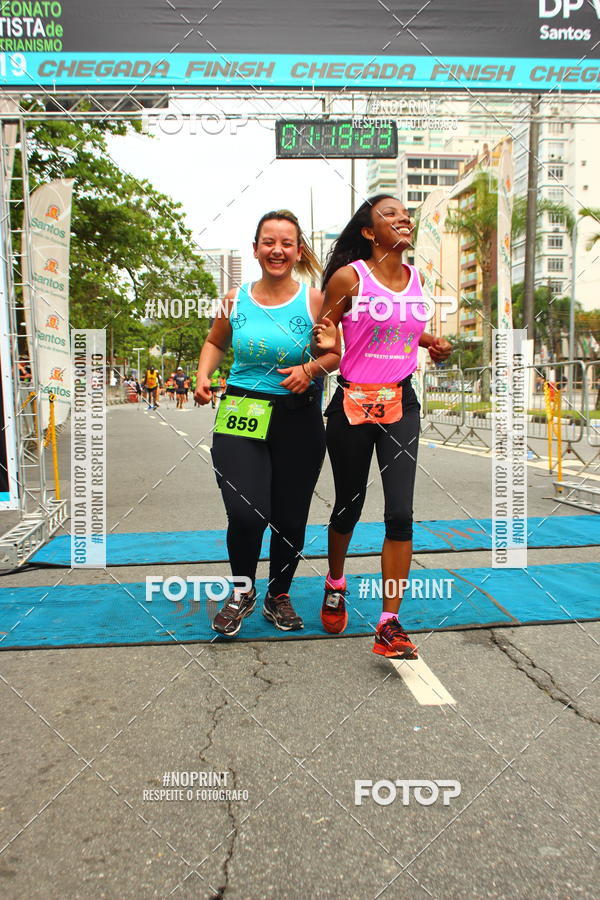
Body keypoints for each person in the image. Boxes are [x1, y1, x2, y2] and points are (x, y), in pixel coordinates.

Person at [312, 194, 452, 659]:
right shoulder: (350, 278)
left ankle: (389, 622)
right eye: (388, 216)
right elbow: (323, 335)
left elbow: (403, 328)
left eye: (404, 214)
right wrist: (325, 338)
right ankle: (335, 582)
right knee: (349, 505)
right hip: (353, 399)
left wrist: (431, 340)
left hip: (400, 401)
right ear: (370, 233)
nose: (402, 219)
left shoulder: (417, 279)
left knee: (400, 512)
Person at [195, 209, 341, 637]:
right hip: (243, 409)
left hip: (298, 417)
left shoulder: (314, 300)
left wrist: (310, 371)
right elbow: (214, 341)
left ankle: (279, 595)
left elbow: (335, 354)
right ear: (256, 248)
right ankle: (242, 591)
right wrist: (204, 375)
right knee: (245, 512)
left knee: (291, 517)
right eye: (269, 242)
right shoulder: (235, 300)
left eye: (287, 243)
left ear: (298, 251)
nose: (277, 250)